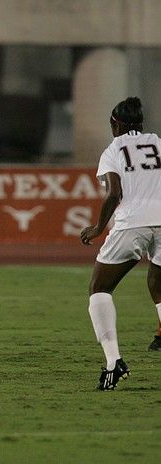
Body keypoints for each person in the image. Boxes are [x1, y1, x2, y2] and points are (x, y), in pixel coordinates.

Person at [81, 97, 161, 390]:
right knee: (158, 285)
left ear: (116, 124)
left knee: (99, 288)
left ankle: (114, 361)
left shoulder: (113, 150)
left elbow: (114, 194)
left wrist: (98, 228)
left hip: (133, 223)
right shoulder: (159, 143)